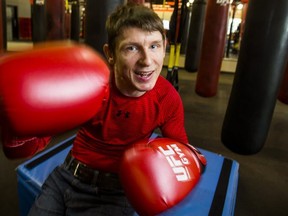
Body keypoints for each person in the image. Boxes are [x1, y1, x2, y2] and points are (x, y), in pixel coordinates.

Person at [28, 3, 189, 215]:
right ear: (110, 53)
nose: (147, 61)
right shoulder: (90, 87)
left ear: (164, 46)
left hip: (115, 194)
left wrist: (172, 171)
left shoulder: (167, 98)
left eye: (154, 46)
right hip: (65, 177)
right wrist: (19, 132)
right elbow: (36, 141)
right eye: (131, 48)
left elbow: (180, 150)